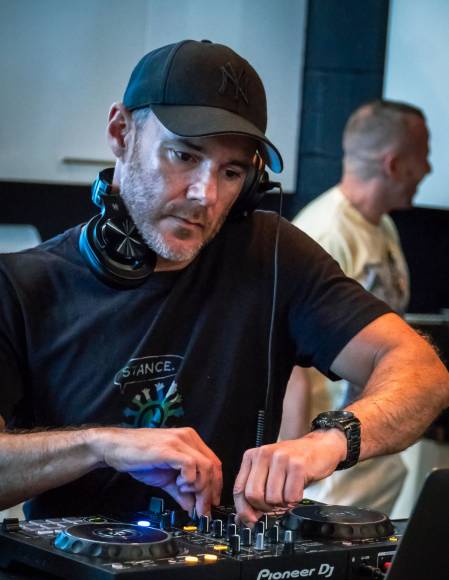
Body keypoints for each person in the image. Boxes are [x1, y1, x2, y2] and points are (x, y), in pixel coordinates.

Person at [0, 42, 448, 526]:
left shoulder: (273, 254)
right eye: (183, 155)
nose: (205, 194)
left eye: (231, 172)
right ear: (120, 131)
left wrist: (330, 440)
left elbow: (424, 374)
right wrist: (100, 445)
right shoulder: (23, 285)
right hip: (66, 574)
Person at [283, 99, 432, 513]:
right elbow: (289, 365)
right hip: (327, 476)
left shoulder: (382, 226)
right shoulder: (323, 234)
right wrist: (292, 473)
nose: (428, 169)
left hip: (368, 458)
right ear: (394, 164)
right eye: (423, 156)